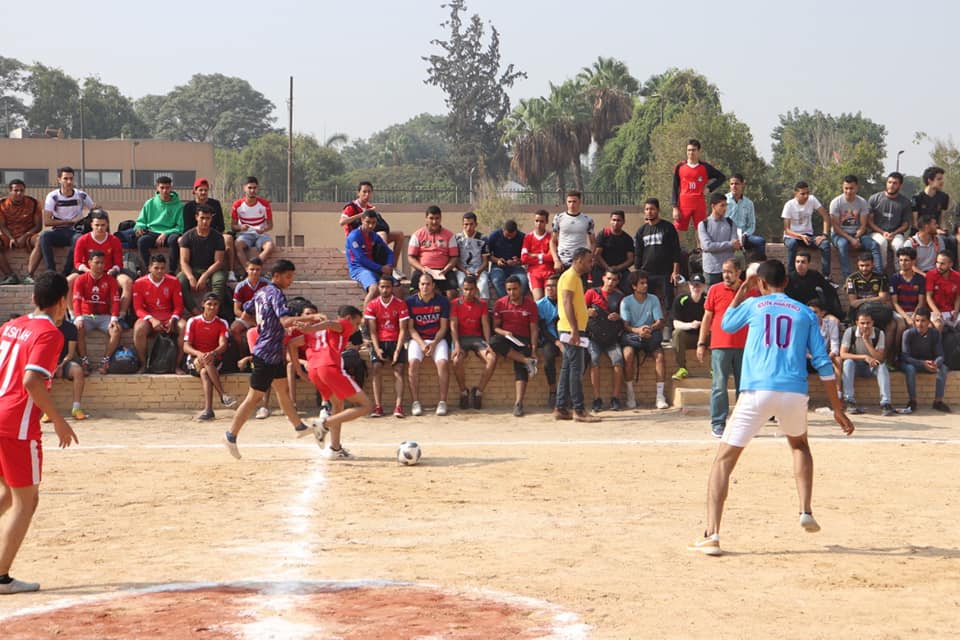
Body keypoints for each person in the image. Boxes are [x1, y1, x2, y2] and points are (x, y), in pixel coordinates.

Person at [688, 259, 853, 557]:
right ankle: (805, 509)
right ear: (787, 282)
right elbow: (823, 362)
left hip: (756, 389)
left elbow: (726, 323)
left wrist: (744, 289)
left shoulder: (754, 305)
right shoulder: (804, 312)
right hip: (794, 391)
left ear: (761, 283)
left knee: (724, 460)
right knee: (800, 446)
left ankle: (711, 534)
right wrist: (837, 408)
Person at [0, 271, 79, 593]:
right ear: (63, 302)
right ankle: (2, 577)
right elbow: (32, 380)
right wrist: (58, 419)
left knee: (7, 493)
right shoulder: (50, 334)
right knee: (26, 502)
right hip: (16, 423)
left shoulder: (10, 326)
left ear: (33, 298)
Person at [223, 259, 318, 459]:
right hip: (266, 353)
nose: (290, 280)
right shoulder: (276, 294)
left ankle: (299, 427)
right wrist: (309, 319)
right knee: (254, 398)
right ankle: (230, 435)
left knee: (282, 390)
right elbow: (285, 320)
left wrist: (266, 326)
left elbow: (247, 311)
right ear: (276, 276)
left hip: (272, 352)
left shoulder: (261, 292)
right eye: (288, 276)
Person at [296, 305, 371, 460]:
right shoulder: (343, 324)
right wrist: (311, 328)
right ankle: (323, 424)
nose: (357, 328)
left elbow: (291, 344)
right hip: (329, 366)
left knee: (337, 405)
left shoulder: (318, 333)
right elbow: (331, 324)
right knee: (366, 406)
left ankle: (335, 449)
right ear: (348, 318)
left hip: (314, 370)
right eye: (357, 323)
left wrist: (299, 369)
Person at [697, 259, 750, 437]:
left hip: (745, 346)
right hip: (720, 344)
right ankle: (718, 422)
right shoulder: (714, 289)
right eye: (724, 271)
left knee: (744, 387)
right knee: (719, 385)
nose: (726, 275)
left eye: (730, 271)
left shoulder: (750, 291)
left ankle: (742, 423)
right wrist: (701, 342)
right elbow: (707, 317)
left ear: (738, 272)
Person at [554, 247, 597, 422]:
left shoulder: (574, 278)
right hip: (571, 329)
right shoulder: (570, 277)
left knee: (567, 369)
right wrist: (574, 329)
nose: (590, 263)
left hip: (573, 328)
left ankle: (561, 407)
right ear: (578, 260)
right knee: (576, 369)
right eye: (588, 260)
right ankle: (578, 410)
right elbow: (566, 303)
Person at [71, 209, 133, 322]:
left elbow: (119, 263)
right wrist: (88, 271)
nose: (100, 228)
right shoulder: (82, 240)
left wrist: (112, 270)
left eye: (103, 225)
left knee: (127, 281)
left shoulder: (114, 240)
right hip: (87, 272)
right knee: (69, 281)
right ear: (91, 225)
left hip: (108, 272)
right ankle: (72, 315)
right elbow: (77, 262)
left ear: (107, 225)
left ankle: (121, 316)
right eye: (97, 225)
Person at [490, 275, 539, 416]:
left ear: (521, 288)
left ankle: (518, 403)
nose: (512, 292)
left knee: (520, 370)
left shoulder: (530, 304)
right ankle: (526, 361)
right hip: (507, 337)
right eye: (509, 289)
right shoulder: (500, 303)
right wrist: (504, 332)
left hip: (524, 339)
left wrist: (534, 349)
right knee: (494, 342)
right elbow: (495, 328)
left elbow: (534, 329)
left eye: (515, 289)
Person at [620, 270, 668, 410]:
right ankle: (630, 395)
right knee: (627, 355)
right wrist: (639, 331)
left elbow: (659, 320)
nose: (645, 285)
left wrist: (649, 329)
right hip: (633, 336)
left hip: (649, 334)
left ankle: (660, 396)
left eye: (646, 282)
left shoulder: (653, 299)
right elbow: (626, 326)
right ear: (634, 286)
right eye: (642, 283)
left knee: (660, 356)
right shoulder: (626, 301)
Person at [405, 273, 451, 416]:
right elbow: (411, 328)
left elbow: (443, 328)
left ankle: (442, 402)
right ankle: (416, 402)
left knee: (443, 363)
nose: (425, 286)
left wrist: (434, 343)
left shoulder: (442, 301)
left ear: (433, 285)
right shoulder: (410, 302)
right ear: (418, 285)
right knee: (413, 364)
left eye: (428, 284)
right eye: (422, 284)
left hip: (437, 339)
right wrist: (421, 344)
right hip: (418, 339)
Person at [132, 255, 186, 375]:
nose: (160, 271)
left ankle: (178, 365)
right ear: (149, 268)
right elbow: (138, 308)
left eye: (162, 268)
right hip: (149, 317)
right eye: (156, 268)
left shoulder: (173, 281)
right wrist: (151, 319)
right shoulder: (139, 283)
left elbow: (179, 306)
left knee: (184, 327)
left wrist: (173, 318)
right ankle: (143, 364)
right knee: (138, 329)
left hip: (168, 316)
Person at [184, 293, 234, 421]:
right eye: (209, 304)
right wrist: (198, 353)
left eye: (215, 304)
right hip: (195, 359)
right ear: (203, 305)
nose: (212, 307)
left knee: (206, 370)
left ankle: (209, 410)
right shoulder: (193, 321)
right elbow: (186, 346)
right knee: (206, 362)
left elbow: (223, 345)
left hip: (214, 360)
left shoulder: (222, 323)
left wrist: (213, 353)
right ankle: (223, 395)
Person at [365, 274, 409, 419]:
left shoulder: (401, 304)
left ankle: (398, 407)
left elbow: (403, 329)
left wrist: (397, 350)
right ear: (378, 287)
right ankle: (378, 407)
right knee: (376, 369)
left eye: (387, 287)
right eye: (382, 287)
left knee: (398, 370)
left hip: (396, 341)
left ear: (392, 288)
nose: (385, 290)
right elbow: (372, 330)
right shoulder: (372, 305)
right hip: (380, 341)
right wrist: (377, 348)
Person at [72, 251, 122, 375]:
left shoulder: (110, 280)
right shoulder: (81, 279)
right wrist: (78, 318)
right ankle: (85, 362)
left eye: (102, 263)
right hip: (86, 315)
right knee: (77, 329)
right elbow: (76, 300)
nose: (100, 266)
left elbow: (115, 300)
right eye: (97, 262)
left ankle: (105, 361)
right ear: (89, 263)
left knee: (116, 330)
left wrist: (114, 318)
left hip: (104, 316)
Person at [450, 276, 496, 410]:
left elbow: (485, 325)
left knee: (492, 358)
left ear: (476, 289)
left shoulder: (481, 304)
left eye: (471, 289)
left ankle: (479, 391)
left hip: (476, 338)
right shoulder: (455, 304)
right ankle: (463, 391)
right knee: (456, 360)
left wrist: (488, 344)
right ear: (461, 290)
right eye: (465, 289)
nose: (468, 292)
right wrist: (456, 344)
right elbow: (453, 326)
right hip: (461, 338)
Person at [40, 166, 96, 276]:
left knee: (78, 239)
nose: (69, 182)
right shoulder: (52, 196)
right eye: (65, 179)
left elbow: (94, 210)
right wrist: (69, 221)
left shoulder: (81, 195)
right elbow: (47, 222)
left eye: (71, 178)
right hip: (59, 231)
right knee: (44, 236)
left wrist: (95, 209)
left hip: (76, 231)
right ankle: (50, 271)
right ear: (59, 180)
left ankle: (66, 273)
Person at [340, 181, 405, 275]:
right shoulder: (351, 207)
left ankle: (392, 267)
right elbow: (342, 222)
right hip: (357, 240)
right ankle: (383, 267)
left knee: (399, 235)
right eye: (364, 192)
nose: (367, 194)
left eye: (369, 192)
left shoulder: (370, 207)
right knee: (382, 235)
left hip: (370, 236)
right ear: (358, 193)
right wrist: (362, 214)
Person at [845, 252, 899, 366]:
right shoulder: (852, 279)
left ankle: (885, 358)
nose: (864, 268)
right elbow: (853, 303)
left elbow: (883, 298)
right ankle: (858, 358)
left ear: (873, 264)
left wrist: (863, 300)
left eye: (867, 265)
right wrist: (874, 299)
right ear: (858, 265)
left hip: (877, 312)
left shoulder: (881, 277)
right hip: (859, 313)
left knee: (893, 324)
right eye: (861, 265)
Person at [840, 308, 895, 416]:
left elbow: (880, 357)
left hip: (871, 367)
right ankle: (849, 400)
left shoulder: (879, 333)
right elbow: (843, 354)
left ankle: (885, 403)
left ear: (872, 323)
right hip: (855, 366)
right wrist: (864, 357)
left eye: (868, 323)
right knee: (848, 363)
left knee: (882, 367)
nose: (865, 326)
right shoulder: (850, 332)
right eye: (862, 323)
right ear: (857, 323)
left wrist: (866, 341)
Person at [634, 197, 682, 323]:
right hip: (646, 273)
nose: (649, 212)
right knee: (645, 301)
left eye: (652, 209)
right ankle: (647, 326)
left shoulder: (668, 228)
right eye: (647, 209)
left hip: (665, 273)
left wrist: (675, 271)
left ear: (658, 210)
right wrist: (638, 274)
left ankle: (669, 326)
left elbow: (676, 251)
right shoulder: (641, 231)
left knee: (668, 301)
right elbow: (638, 254)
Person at [584, 270, 625, 412]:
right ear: (603, 278)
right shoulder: (591, 293)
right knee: (594, 360)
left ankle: (615, 398)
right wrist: (587, 311)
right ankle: (597, 398)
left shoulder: (620, 297)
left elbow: (625, 317)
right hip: (594, 337)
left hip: (611, 338)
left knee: (618, 360)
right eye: (608, 279)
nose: (611, 282)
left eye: (614, 280)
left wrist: (618, 316)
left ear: (617, 282)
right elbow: (580, 309)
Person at [126, 176, 184, 274]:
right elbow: (141, 221)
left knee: (174, 240)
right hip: (152, 232)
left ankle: (172, 271)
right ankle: (149, 270)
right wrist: (139, 227)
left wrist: (166, 233)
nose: (165, 190)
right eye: (162, 188)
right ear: (157, 188)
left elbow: (180, 227)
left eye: (167, 187)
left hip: (169, 233)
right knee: (142, 241)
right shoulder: (150, 203)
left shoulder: (179, 205)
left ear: (171, 188)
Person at [672, 138, 725, 242]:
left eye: (693, 150)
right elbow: (674, 187)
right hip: (683, 204)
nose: (691, 152)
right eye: (689, 150)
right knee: (678, 231)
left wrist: (709, 188)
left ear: (698, 151)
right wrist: (674, 207)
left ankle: (700, 254)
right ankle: (676, 254)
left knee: (701, 230)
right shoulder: (680, 166)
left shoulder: (705, 167)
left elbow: (721, 177)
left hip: (699, 204)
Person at [183, 178, 236, 283]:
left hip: (214, 234)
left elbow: (221, 226)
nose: (203, 192)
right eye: (201, 190)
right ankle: (183, 270)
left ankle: (231, 271)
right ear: (195, 191)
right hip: (194, 235)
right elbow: (187, 227)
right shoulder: (188, 207)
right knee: (180, 240)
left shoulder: (215, 204)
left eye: (206, 190)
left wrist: (210, 232)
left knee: (228, 238)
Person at [178, 204, 227, 317]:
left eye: (208, 218)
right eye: (202, 218)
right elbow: (183, 261)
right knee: (180, 280)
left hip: (213, 269)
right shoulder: (187, 236)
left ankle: (213, 313)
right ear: (196, 217)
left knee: (219, 281)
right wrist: (190, 277)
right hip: (193, 269)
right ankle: (195, 313)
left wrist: (205, 276)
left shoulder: (218, 237)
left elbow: (219, 262)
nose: (205, 221)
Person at [900, 307, 951, 414]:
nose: (920, 324)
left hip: (928, 363)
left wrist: (936, 364)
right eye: (917, 321)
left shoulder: (935, 334)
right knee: (910, 369)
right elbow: (905, 357)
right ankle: (912, 401)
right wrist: (922, 363)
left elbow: (940, 354)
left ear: (928, 322)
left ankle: (938, 402)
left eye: (923, 321)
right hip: (911, 363)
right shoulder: (908, 334)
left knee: (943, 368)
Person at [830, 175, 881, 280]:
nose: (849, 191)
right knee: (843, 245)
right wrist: (851, 239)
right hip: (840, 234)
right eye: (846, 188)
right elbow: (836, 227)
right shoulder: (836, 203)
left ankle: (879, 276)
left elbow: (863, 224)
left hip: (858, 233)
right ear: (842, 188)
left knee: (874, 245)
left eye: (851, 188)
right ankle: (848, 278)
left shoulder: (862, 202)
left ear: (857, 188)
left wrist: (857, 237)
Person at [41, 312, 87, 422]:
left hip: (64, 362)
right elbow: (42, 352)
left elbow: (70, 353)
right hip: (47, 363)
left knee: (78, 371)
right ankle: (47, 411)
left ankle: (76, 408)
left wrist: (61, 365)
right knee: (40, 374)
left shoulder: (70, 328)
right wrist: (52, 366)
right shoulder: (44, 327)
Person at [346, 208, 394, 311]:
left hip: (374, 268)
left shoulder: (374, 235)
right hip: (359, 269)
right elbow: (360, 259)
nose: (371, 226)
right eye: (368, 222)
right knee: (374, 288)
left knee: (397, 288)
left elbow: (389, 252)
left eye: (373, 223)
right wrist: (381, 268)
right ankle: (365, 321)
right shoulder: (354, 236)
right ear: (362, 220)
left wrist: (389, 266)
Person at [782, 181, 832, 277]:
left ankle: (826, 276)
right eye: (802, 194)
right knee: (792, 244)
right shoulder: (789, 205)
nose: (806, 196)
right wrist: (800, 236)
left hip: (808, 236)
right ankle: (791, 275)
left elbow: (825, 216)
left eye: (807, 193)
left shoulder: (812, 200)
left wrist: (824, 235)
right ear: (796, 193)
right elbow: (787, 230)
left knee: (825, 244)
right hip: (792, 236)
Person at [407, 205, 459, 296]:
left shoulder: (449, 235)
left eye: (437, 218)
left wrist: (446, 270)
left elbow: (454, 257)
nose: (434, 221)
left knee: (452, 293)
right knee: (414, 291)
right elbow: (411, 257)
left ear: (441, 218)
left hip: (444, 271)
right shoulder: (417, 235)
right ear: (426, 218)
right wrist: (422, 269)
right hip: (423, 270)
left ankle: (448, 311)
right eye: (431, 218)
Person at [866, 171, 911, 270]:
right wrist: (883, 232)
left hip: (896, 233)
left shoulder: (905, 202)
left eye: (895, 183)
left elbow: (906, 224)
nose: (891, 185)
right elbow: (869, 221)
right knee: (882, 243)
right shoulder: (874, 198)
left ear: (900, 185)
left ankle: (899, 272)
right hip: (877, 232)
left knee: (898, 245)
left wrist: (894, 233)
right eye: (889, 182)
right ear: (886, 183)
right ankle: (882, 270)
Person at [0, 179, 42, 284]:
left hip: (28, 235)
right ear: (10, 191)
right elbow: (2, 226)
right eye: (16, 190)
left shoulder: (34, 203)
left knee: (42, 240)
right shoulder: (2, 204)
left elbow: (38, 226)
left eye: (22, 190)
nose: (19, 193)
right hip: (8, 235)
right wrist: (11, 238)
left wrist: (25, 236)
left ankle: (29, 275)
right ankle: (9, 276)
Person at [231, 176, 275, 271]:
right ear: (244, 188)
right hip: (245, 234)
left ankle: (255, 265)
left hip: (261, 234)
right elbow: (233, 226)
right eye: (249, 188)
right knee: (237, 244)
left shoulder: (265, 204)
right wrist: (241, 227)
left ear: (257, 189)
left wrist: (263, 229)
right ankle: (248, 270)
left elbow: (270, 225)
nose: (252, 190)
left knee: (270, 246)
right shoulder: (237, 205)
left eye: (254, 188)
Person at [698, 192, 741, 285]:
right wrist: (729, 244)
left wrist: (731, 245)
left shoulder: (730, 223)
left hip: (729, 270)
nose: (725, 208)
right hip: (711, 270)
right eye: (722, 205)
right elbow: (707, 246)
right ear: (713, 206)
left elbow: (735, 244)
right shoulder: (703, 225)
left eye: (726, 205)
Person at [785, 250, 843, 319]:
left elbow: (829, 289)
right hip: (796, 309)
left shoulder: (814, 275)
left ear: (808, 264)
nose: (799, 264)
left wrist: (826, 310)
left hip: (813, 308)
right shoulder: (789, 278)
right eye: (797, 262)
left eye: (803, 262)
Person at [229, 257, 268, 360]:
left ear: (261, 270)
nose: (254, 272)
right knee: (234, 329)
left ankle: (261, 357)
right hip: (246, 316)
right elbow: (236, 310)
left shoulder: (267, 284)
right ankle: (242, 355)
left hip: (262, 316)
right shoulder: (240, 286)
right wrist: (252, 321)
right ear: (247, 269)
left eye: (257, 269)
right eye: (252, 269)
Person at [670, 274, 706, 381]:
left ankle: (715, 369)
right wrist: (691, 325)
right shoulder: (681, 299)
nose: (696, 288)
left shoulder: (707, 299)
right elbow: (675, 323)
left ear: (703, 286)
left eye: (699, 285)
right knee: (677, 333)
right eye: (693, 285)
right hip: (688, 336)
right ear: (689, 286)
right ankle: (682, 368)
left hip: (704, 336)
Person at [550, 191, 595, 275]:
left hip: (580, 262)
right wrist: (556, 260)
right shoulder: (558, 218)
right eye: (569, 202)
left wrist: (589, 259)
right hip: (563, 262)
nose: (571, 204)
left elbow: (593, 242)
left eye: (574, 201)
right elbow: (552, 241)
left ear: (580, 202)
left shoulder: (588, 220)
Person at [592, 210, 634, 293]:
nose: (616, 223)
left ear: (623, 222)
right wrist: (608, 268)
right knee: (597, 292)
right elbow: (597, 255)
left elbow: (631, 259)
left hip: (620, 270)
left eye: (618, 220)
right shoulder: (603, 234)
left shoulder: (627, 239)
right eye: (613, 220)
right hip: (602, 269)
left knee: (629, 287)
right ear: (610, 221)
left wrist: (617, 268)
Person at [536, 274, 562, 407]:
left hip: (566, 336)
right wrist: (557, 342)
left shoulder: (566, 301)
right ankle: (552, 391)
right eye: (548, 286)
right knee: (548, 359)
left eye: (553, 285)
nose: (550, 288)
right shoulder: (540, 305)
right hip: (549, 338)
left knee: (583, 356)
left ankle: (567, 391)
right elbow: (543, 329)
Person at [726, 173, 765, 258]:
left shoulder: (749, 203)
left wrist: (745, 234)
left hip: (744, 236)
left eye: (737, 183)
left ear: (743, 184)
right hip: (727, 235)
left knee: (760, 241)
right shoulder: (724, 201)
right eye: (731, 184)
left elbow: (752, 224)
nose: (734, 186)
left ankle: (756, 266)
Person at [454, 211, 490, 300]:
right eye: (466, 224)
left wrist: (478, 272)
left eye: (471, 224)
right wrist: (465, 271)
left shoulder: (482, 238)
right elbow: (455, 260)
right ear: (462, 225)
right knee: (461, 282)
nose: (468, 227)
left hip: (479, 269)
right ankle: (463, 307)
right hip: (462, 269)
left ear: (476, 224)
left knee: (483, 283)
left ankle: (485, 309)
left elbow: (485, 261)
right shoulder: (457, 238)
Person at [487, 219, 527, 298]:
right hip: (498, 266)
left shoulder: (522, 237)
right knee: (497, 280)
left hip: (516, 267)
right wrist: (497, 260)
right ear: (503, 230)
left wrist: (518, 261)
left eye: (511, 236)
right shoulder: (494, 236)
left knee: (523, 281)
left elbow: (525, 256)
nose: (509, 238)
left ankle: (518, 300)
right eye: (507, 235)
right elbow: (487, 255)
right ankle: (507, 301)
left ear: (516, 231)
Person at [521, 209, 555, 300]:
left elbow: (552, 257)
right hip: (534, 273)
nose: (539, 224)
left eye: (542, 221)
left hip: (549, 272)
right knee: (539, 300)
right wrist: (544, 256)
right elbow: (524, 258)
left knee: (549, 299)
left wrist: (535, 255)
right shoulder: (528, 237)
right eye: (537, 221)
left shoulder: (551, 237)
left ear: (547, 222)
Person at [888, 246, 926, 325]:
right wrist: (906, 317)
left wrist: (914, 315)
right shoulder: (894, 278)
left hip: (916, 312)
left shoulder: (920, 279)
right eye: (900, 260)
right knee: (901, 325)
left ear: (913, 262)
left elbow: (921, 302)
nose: (903, 263)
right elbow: (895, 303)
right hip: (900, 313)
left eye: (906, 260)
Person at [925, 250, 960, 332]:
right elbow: (928, 297)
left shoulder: (957, 276)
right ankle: (937, 345)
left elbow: (958, 297)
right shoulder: (931, 274)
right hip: (935, 311)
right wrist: (936, 311)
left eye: (942, 264)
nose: (938, 266)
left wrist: (956, 311)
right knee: (938, 325)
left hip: (951, 311)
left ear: (950, 264)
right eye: (937, 262)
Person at [912, 166, 951, 234]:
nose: (942, 181)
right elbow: (915, 223)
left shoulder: (944, 197)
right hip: (919, 232)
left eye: (942, 179)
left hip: (937, 232)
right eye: (939, 179)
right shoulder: (917, 198)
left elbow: (942, 219)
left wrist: (944, 231)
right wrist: (933, 231)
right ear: (929, 180)